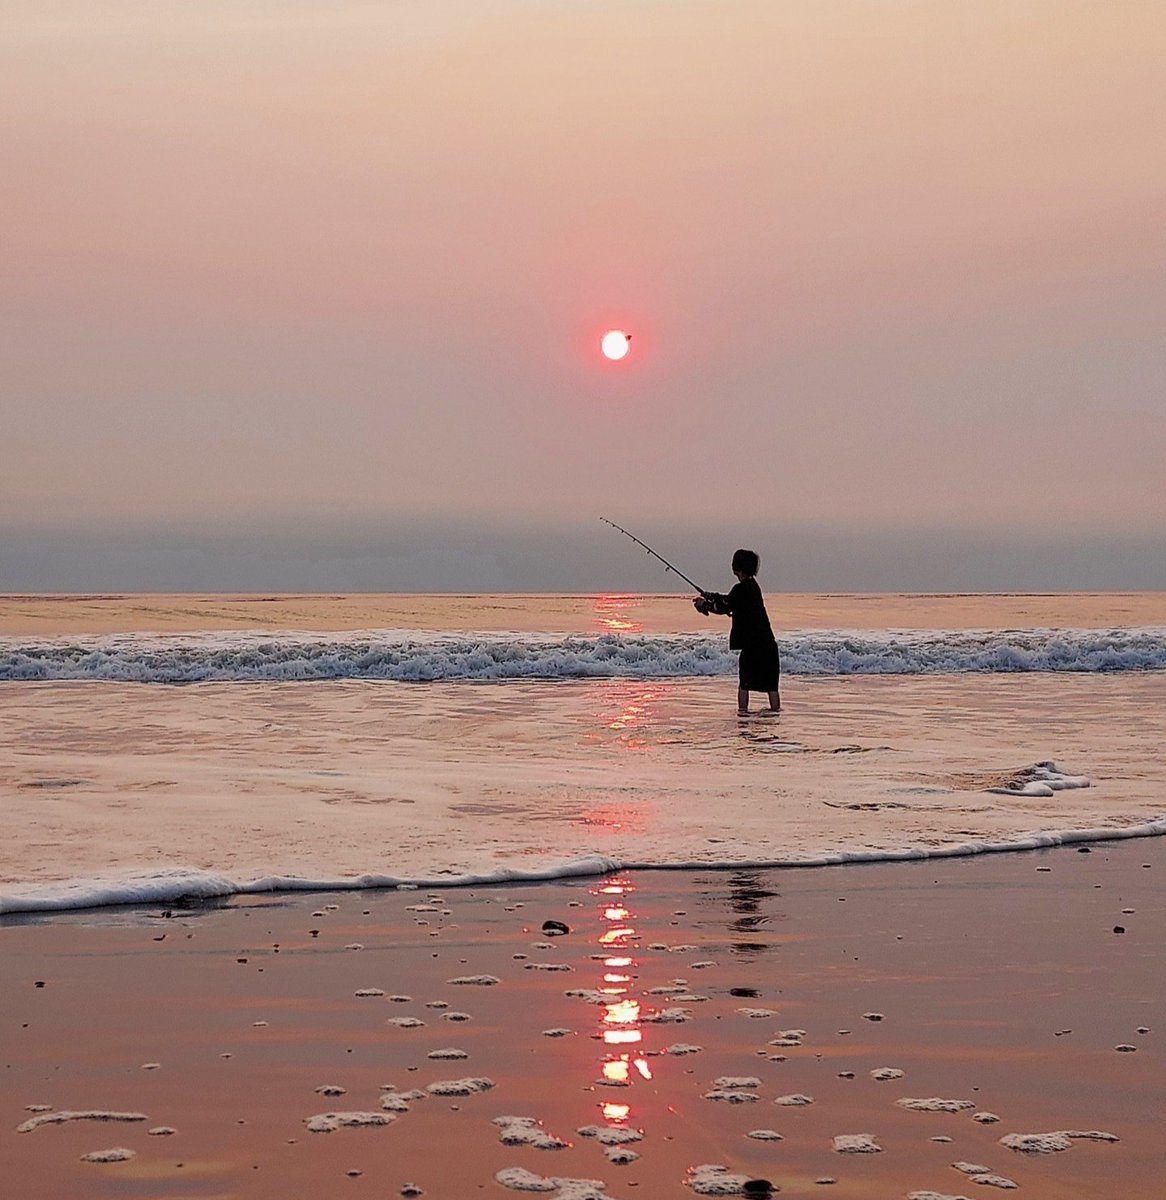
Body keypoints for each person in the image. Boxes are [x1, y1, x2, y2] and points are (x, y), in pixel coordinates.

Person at [693, 548, 781, 715]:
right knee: (771, 686)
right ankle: (776, 717)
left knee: (744, 684)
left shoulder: (740, 589)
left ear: (736, 567)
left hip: (752, 645)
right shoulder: (753, 587)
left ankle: (743, 716)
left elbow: (723, 606)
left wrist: (703, 605)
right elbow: (729, 600)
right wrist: (709, 595)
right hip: (768, 644)